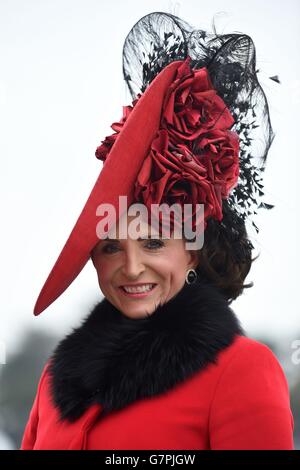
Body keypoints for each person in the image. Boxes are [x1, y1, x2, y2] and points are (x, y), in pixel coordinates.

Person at [21, 12, 294, 450]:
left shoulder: (241, 369)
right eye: (110, 246)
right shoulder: (55, 378)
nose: (131, 268)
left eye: (153, 242)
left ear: (192, 253)